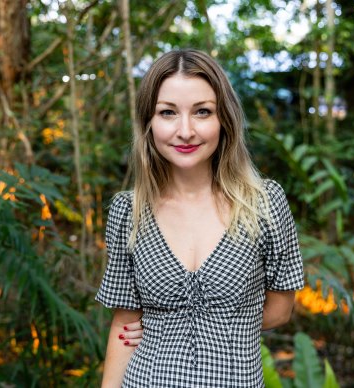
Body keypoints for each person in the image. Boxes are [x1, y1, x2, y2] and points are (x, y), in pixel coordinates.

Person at [96, 49, 304, 387]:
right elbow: (124, 326)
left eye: (202, 112)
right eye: (167, 113)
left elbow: (281, 309)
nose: (186, 130)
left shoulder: (264, 204)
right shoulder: (127, 211)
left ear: (224, 119)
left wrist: (215, 322)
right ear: (148, 122)